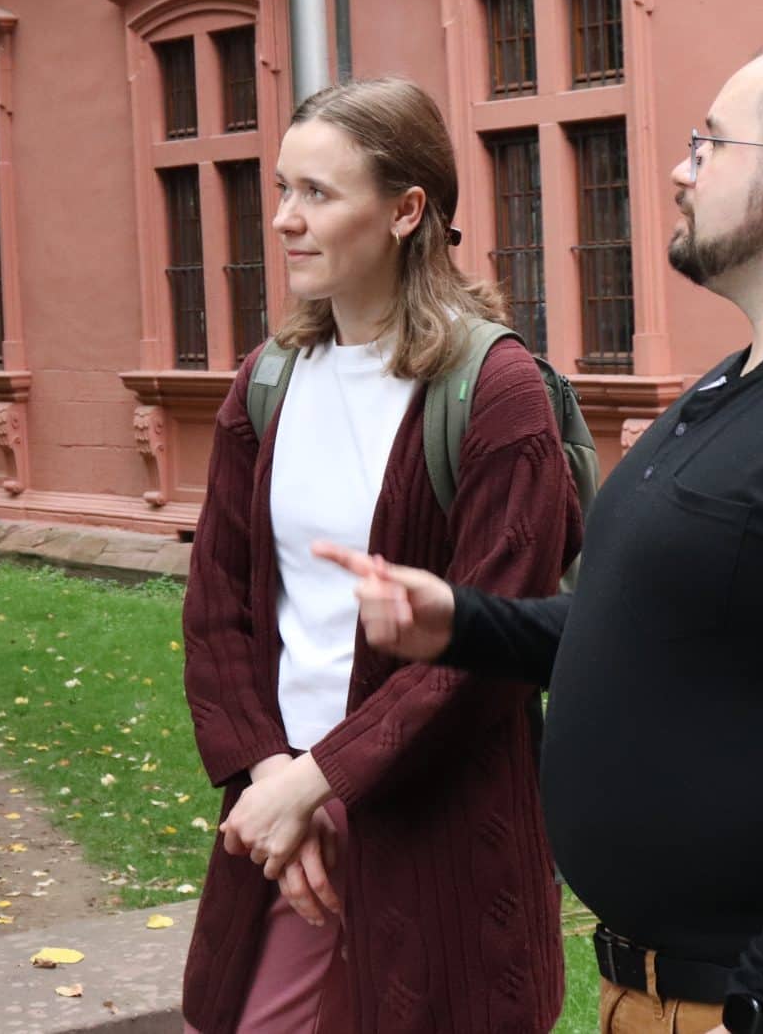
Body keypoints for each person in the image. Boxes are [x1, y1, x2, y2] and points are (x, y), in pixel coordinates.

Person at [319, 35, 763, 1034]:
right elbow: (652, 626)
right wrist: (462, 622)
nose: (681, 171)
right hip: (655, 989)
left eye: (709, 144)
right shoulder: (737, 385)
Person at [180, 77, 582, 1034]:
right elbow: (218, 606)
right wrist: (272, 782)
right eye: (283, 188)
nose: (284, 218)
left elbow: (490, 644)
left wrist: (320, 778)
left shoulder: (495, 391)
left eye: (318, 193)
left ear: (406, 211)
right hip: (285, 808)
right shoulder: (269, 380)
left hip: (437, 820)